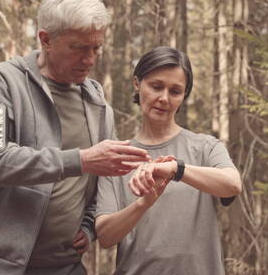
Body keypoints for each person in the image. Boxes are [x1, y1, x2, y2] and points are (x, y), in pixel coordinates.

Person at [0, 0, 151, 275]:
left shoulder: (96, 101)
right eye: (78, 48)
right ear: (46, 39)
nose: (90, 59)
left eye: (96, 48)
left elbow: (103, 178)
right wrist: (79, 160)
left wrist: (89, 224)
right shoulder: (0, 81)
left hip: (64, 266)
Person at [95, 46, 243, 275]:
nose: (163, 98)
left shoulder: (205, 147)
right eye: (156, 86)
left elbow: (232, 184)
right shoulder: (117, 157)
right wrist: (143, 203)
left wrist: (176, 169)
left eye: (175, 91)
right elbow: (105, 236)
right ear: (137, 83)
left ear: (184, 96)